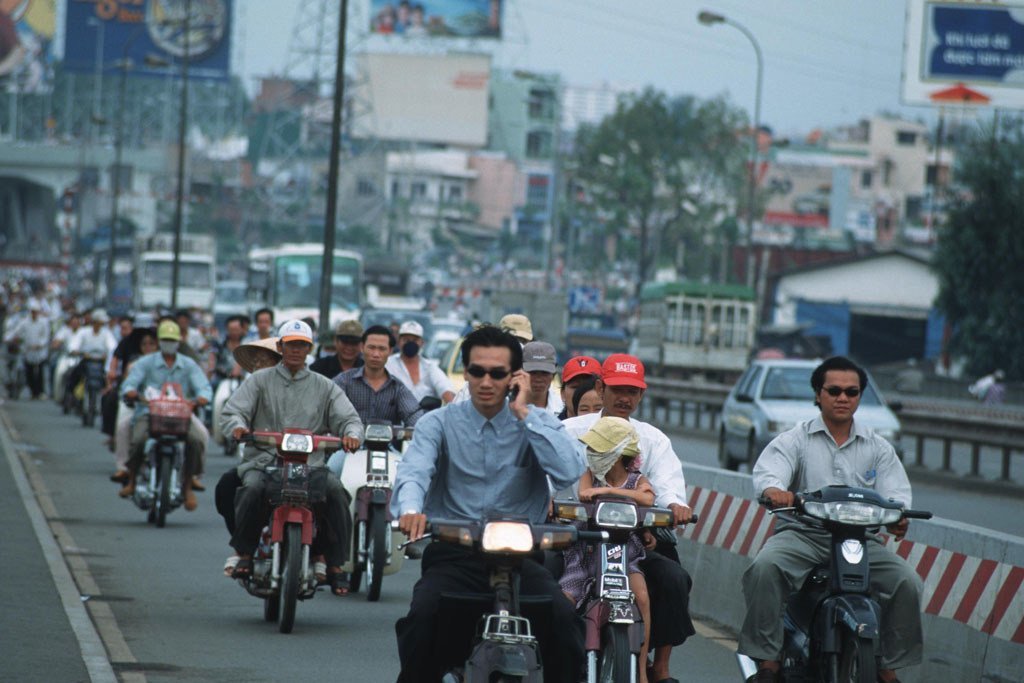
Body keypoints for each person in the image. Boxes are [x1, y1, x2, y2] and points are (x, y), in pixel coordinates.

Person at [392, 325, 588, 682]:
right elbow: (414, 471)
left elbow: (569, 471)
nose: (486, 381)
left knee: (565, 622)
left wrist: (524, 412)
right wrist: (410, 510)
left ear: (515, 376)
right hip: (455, 554)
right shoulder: (437, 422)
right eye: (477, 371)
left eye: (498, 373)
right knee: (420, 619)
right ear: (465, 372)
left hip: (521, 558)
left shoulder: (538, 421)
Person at [739, 356, 923, 683]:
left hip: (860, 540)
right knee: (765, 568)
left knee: (907, 581)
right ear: (818, 394)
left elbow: (897, 495)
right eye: (834, 390)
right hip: (803, 535)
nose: (842, 398)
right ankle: (768, 660)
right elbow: (770, 472)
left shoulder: (878, 447)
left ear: (859, 397)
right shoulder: (795, 438)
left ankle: (887, 667)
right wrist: (774, 490)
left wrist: (897, 517)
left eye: (851, 392)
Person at [561, 354, 695, 683]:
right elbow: (543, 480)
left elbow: (666, 489)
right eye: (618, 389)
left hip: (631, 542)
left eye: (632, 392)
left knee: (673, 577)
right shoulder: (568, 432)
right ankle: (553, 657)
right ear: (599, 388)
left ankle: (658, 668)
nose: (625, 398)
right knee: (542, 582)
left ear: (641, 397)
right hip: (573, 541)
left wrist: (675, 506)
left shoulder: (653, 440)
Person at [220, 319, 363, 595]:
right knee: (250, 490)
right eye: (291, 345)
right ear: (281, 346)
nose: (296, 350)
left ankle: (335, 564)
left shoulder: (325, 386)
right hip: (264, 461)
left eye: (302, 345)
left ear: (309, 349)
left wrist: (352, 434)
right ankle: (245, 553)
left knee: (337, 494)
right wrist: (238, 427)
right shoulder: (260, 380)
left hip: (311, 465)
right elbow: (233, 412)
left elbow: (349, 419)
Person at [561, 416, 655, 683]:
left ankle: (640, 669)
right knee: (563, 601)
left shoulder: (637, 479)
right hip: (586, 553)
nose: (592, 454)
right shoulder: (589, 472)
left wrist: (610, 492)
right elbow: (583, 494)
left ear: (618, 452)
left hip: (625, 554)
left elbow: (648, 498)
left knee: (643, 597)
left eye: (599, 449)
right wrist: (601, 488)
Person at [118, 321, 212, 511]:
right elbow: (130, 383)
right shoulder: (146, 363)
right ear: (160, 341)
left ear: (178, 342)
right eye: (165, 340)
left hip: (181, 415)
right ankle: (133, 479)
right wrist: (131, 392)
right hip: (150, 412)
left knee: (197, 439)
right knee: (138, 439)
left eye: (172, 340)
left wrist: (201, 398)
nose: (169, 343)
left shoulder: (188, 364)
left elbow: (204, 387)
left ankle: (188, 485)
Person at [214, 336, 282, 576]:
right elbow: (233, 412)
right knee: (227, 488)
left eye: (266, 361)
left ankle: (320, 557)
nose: (259, 367)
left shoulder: (307, 385)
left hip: (300, 461)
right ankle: (243, 548)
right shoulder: (251, 385)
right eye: (257, 363)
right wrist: (238, 427)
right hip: (258, 460)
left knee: (330, 493)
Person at [333, 325, 423, 427]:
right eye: (371, 347)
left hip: (390, 442)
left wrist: (424, 426)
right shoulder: (343, 381)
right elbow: (331, 412)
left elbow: (413, 415)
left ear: (390, 351)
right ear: (362, 348)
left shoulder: (397, 387)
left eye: (382, 349)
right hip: (349, 441)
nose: (376, 354)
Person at [110, 328, 159, 484]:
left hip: (164, 409)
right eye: (145, 344)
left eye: (152, 343)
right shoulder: (135, 364)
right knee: (123, 427)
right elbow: (128, 385)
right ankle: (123, 467)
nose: (148, 347)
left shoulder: (168, 363)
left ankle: (187, 475)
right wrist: (133, 393)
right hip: (139, 406)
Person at [386, 320, 455, 404]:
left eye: (415, 340)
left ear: (422, 343)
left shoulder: (430, 367)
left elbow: (445, 388)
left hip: (426, 415)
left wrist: (453, 407)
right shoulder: (388, 364)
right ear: (399, 341)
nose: (410, 344)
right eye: (406, 340)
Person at [6, 301, 50, 399]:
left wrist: (39, 344)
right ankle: (33, 392)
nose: (34, 314)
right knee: (29, 372)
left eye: (36, 312)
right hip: (28, 351)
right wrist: (8, 338)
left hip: (40, 351)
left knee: (40, 373)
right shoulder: (25, 322)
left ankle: (40, 392)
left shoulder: (43, 322)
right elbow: (16, 331)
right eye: (33, 312)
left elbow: (46, 336)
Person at [521, 340, 563, 414]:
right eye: (533, 372)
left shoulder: (562, 408)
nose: (538, 379)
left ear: (553, 374)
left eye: (544, 373)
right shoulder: (505, 407)